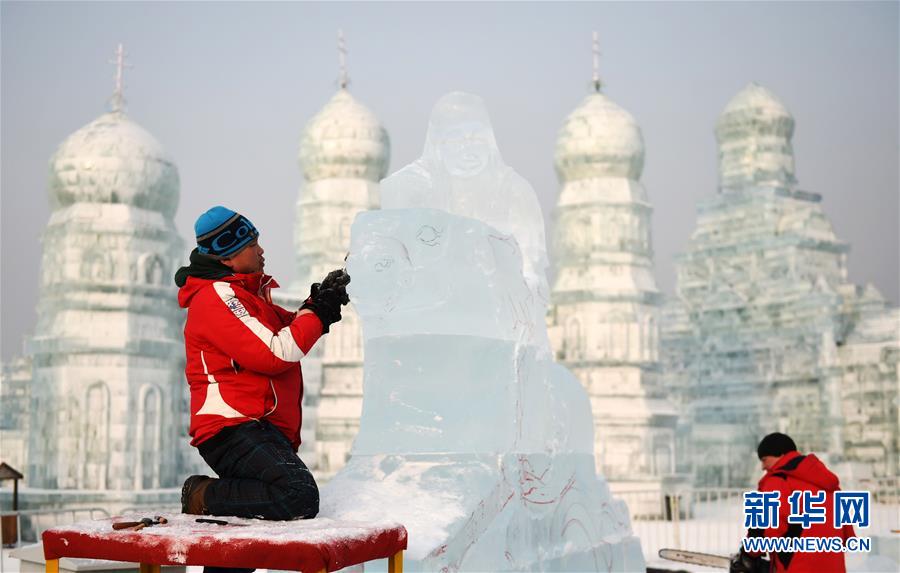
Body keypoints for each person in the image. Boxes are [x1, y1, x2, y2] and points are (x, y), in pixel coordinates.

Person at [174, 206, 349, 525]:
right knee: (298, 494)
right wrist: (318, 312)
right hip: (231, 428)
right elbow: (277, 352)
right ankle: (202, 495)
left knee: (253, 526)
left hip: (256, 426)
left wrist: (319, 303)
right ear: (227, 257)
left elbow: (291, 327)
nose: (262, 250)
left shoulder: (247, 298)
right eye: (252, 244)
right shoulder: (216, 297)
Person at [730, 432, 855, 573]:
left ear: (781, 455)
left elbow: (764, 528)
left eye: (764, 459)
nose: (762, 467)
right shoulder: (829, 485)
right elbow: (846, 534)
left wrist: (748, 556)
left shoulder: (778, 480)